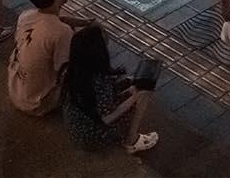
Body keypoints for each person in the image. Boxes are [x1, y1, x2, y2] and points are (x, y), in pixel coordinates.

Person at [61, 26, 160, 154]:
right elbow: (106, 118)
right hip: (92, 136)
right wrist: (136, 96)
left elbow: (104, 98)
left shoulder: (72, 69)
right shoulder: (98, 81)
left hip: (77, 128)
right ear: (98, 52)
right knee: (144, 94)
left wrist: (130, 84)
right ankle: (131, 141)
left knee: (134, 90)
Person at [8, 0, 89, 117]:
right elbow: (65, 70)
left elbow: (55, 22)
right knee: (85, 59)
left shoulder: (26, 16)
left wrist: (85, 22)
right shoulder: (62, 32)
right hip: (37, 103)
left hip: (16, 90)